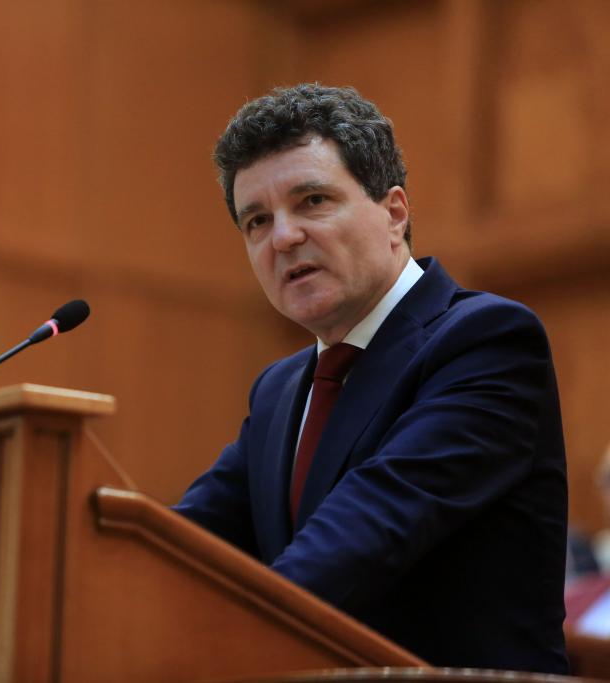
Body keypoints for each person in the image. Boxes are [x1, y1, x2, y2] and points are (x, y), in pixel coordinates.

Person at [173, 84, 568, 673]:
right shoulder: (279, 390)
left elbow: (367, 531)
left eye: (312, 201)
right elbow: (186, 543)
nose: (283, 237)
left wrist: (219, 647)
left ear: (394, 214)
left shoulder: (486, 342)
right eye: (257, 220)